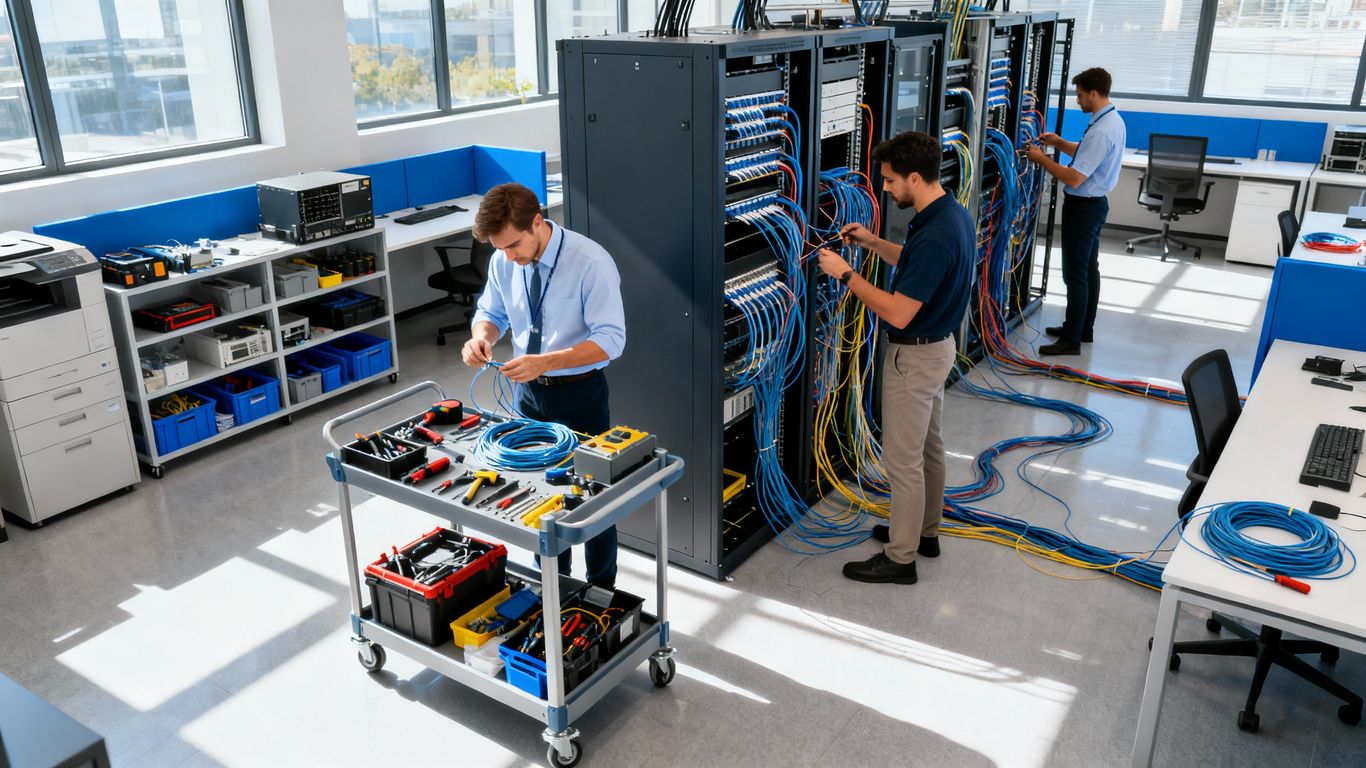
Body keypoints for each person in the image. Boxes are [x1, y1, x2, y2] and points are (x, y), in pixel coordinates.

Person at [817, 131, 974, 585]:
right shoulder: (949, 215)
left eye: (889, 182)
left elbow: (899, 311)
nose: (885, 189)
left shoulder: (937, 231)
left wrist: (844, 273)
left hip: (915, 357)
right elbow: (914, 262)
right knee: (929, 449)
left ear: (914, 177)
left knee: (902, 462)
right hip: (939, 349)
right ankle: (924, 533)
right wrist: (870, 242)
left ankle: (901, 558)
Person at [462, 182, 626, 588]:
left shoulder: (590, 262)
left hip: (580, 395)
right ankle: (551, 583)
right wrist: (481, 336)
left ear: (538, 221)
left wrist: (548, 362)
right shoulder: (505, 261)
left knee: (592, 500)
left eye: (514, 245)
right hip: (529, 396)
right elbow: (491, 310)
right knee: (538, 495)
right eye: (499, 248)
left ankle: (600, 592)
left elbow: (611, 339)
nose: (508, 256)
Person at [1025, 66, 1126, 356]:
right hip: (1094, 205)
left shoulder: (1102, 130)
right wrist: (1058, 143)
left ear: (1094, 93)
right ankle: (1082, 327)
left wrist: (1041, 159)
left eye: (1081, 96)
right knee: (1089, 269)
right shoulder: (1111, 121)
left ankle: (1071, 340)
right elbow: (1085, 153)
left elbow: (1074, 177)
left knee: (1075, 274)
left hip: (1083, 208)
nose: (1078, 101)